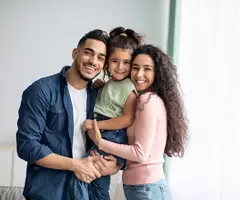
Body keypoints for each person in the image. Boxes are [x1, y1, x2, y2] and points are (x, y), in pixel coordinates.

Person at [16, 29, 120, 200]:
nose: (93, 61)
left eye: (101, 57)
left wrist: (116, 165)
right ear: (75, 53)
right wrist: (76, 165)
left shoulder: (101, 97)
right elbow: (27, 146)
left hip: (90, 192)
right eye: (88, 53)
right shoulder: (41, 90)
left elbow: (117, 135)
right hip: (48, 193)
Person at [88, 44, 189, 200]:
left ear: (157, 73)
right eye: (135, 68)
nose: (139, 74)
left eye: (147, 69)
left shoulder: (147, 101)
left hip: (148, 189)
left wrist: (100, 142)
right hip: (143, 188)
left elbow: (140, 154)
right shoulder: (141, 99)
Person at [66, 26, 143, 200]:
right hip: (104, 135)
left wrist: (96, 125)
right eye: (115, 61)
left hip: (110, 135)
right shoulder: (108, 83)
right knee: (98, 185)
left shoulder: (128, 87)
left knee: (80, 176)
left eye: (126, 62)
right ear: (107, 62)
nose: (120, 67)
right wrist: (102, 87)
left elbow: (127, 118)